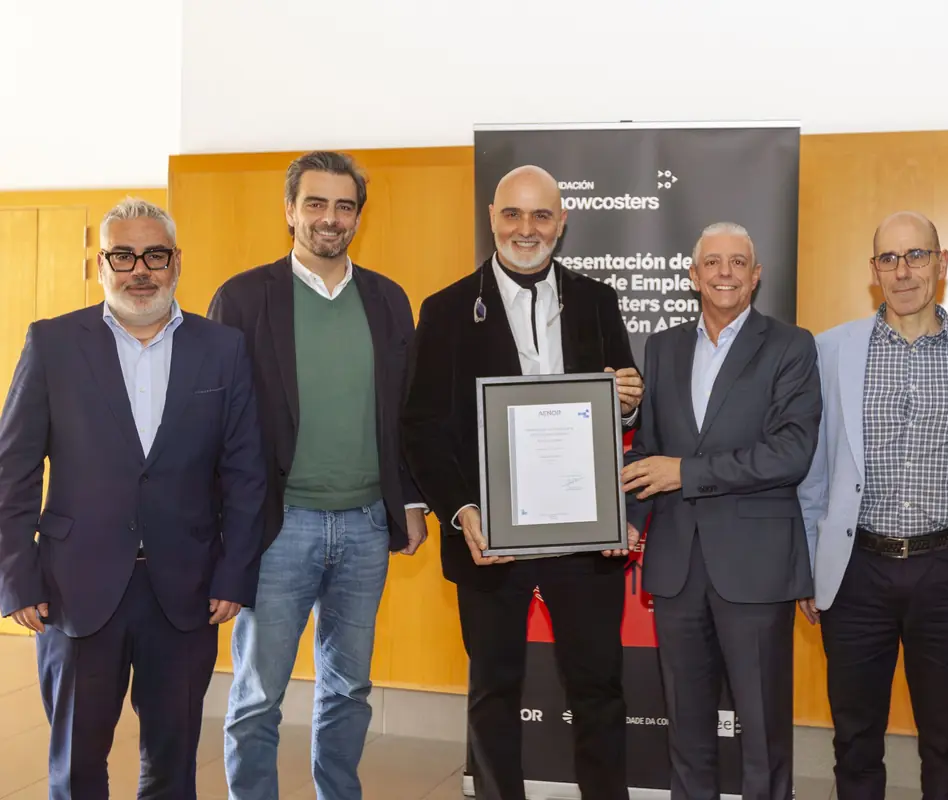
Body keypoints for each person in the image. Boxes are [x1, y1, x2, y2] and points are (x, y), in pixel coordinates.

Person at [0, 198, 265, 799]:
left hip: (186, 591)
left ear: (177, 262)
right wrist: (17, 577)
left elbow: (246, 473)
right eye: (123, 255)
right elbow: (11, 472)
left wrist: (233, 573)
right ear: (101, 264)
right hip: (74, 590)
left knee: (172, 766)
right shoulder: (52, 344)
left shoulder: (221, 349)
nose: (139, 269)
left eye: (155, 254)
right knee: (77, 764)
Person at [400, 164, 644, 800]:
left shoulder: (598, 301)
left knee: (598, 689)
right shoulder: (448, 309)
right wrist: (460, 511)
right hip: (491, 536)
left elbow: (621, 405)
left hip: (583, 537)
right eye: (513, 214)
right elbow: (422, 427)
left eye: (541, 215)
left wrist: (627, 398)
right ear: (492, 219)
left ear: (562, 223)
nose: (526, 229)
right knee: (493, 692)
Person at [208, 151, 429, 800]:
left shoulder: (388, 299)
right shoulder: (244, 297)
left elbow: (404, 412)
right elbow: (215, 419)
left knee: (349, 688)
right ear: (289, 210)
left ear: (358, 215)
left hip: (365, 528)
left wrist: (410, 501)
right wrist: (224, 528)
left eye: (344, 205)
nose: (330, 218)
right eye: (316, 203)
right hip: (279, 529)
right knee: (257, 696)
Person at [797, 211, 948, 800]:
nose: (903, 270)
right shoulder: (829, 350)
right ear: (873, 270)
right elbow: (814, 469)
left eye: (916, 256)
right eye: (889, 258)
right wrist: (810, 562)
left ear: (942, 262)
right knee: (855, 737)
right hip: (855, 569)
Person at [622, 222, 821, 800]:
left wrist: (685, 473)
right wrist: (629, 522)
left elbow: (791, 453)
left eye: (738, 262)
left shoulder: (791, 345)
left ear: (756, 276)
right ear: (693, 276)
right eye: (712, 262)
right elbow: (651, 448)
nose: (725, 272)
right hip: (677, 563)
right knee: (686, 728)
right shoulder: (662, 347)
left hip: (755, 566)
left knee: (761, 732)